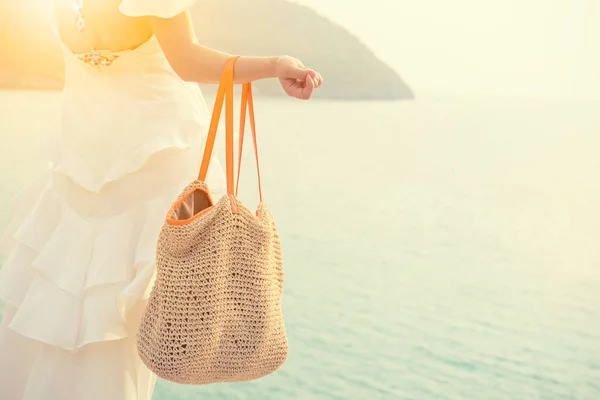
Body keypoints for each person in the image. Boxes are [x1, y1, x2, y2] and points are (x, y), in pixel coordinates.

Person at [0, 0, 322, 399]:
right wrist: (276, 64)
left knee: (62, 309)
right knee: (136, 314)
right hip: (160, 173)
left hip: (78, 182)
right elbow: (190, 62)